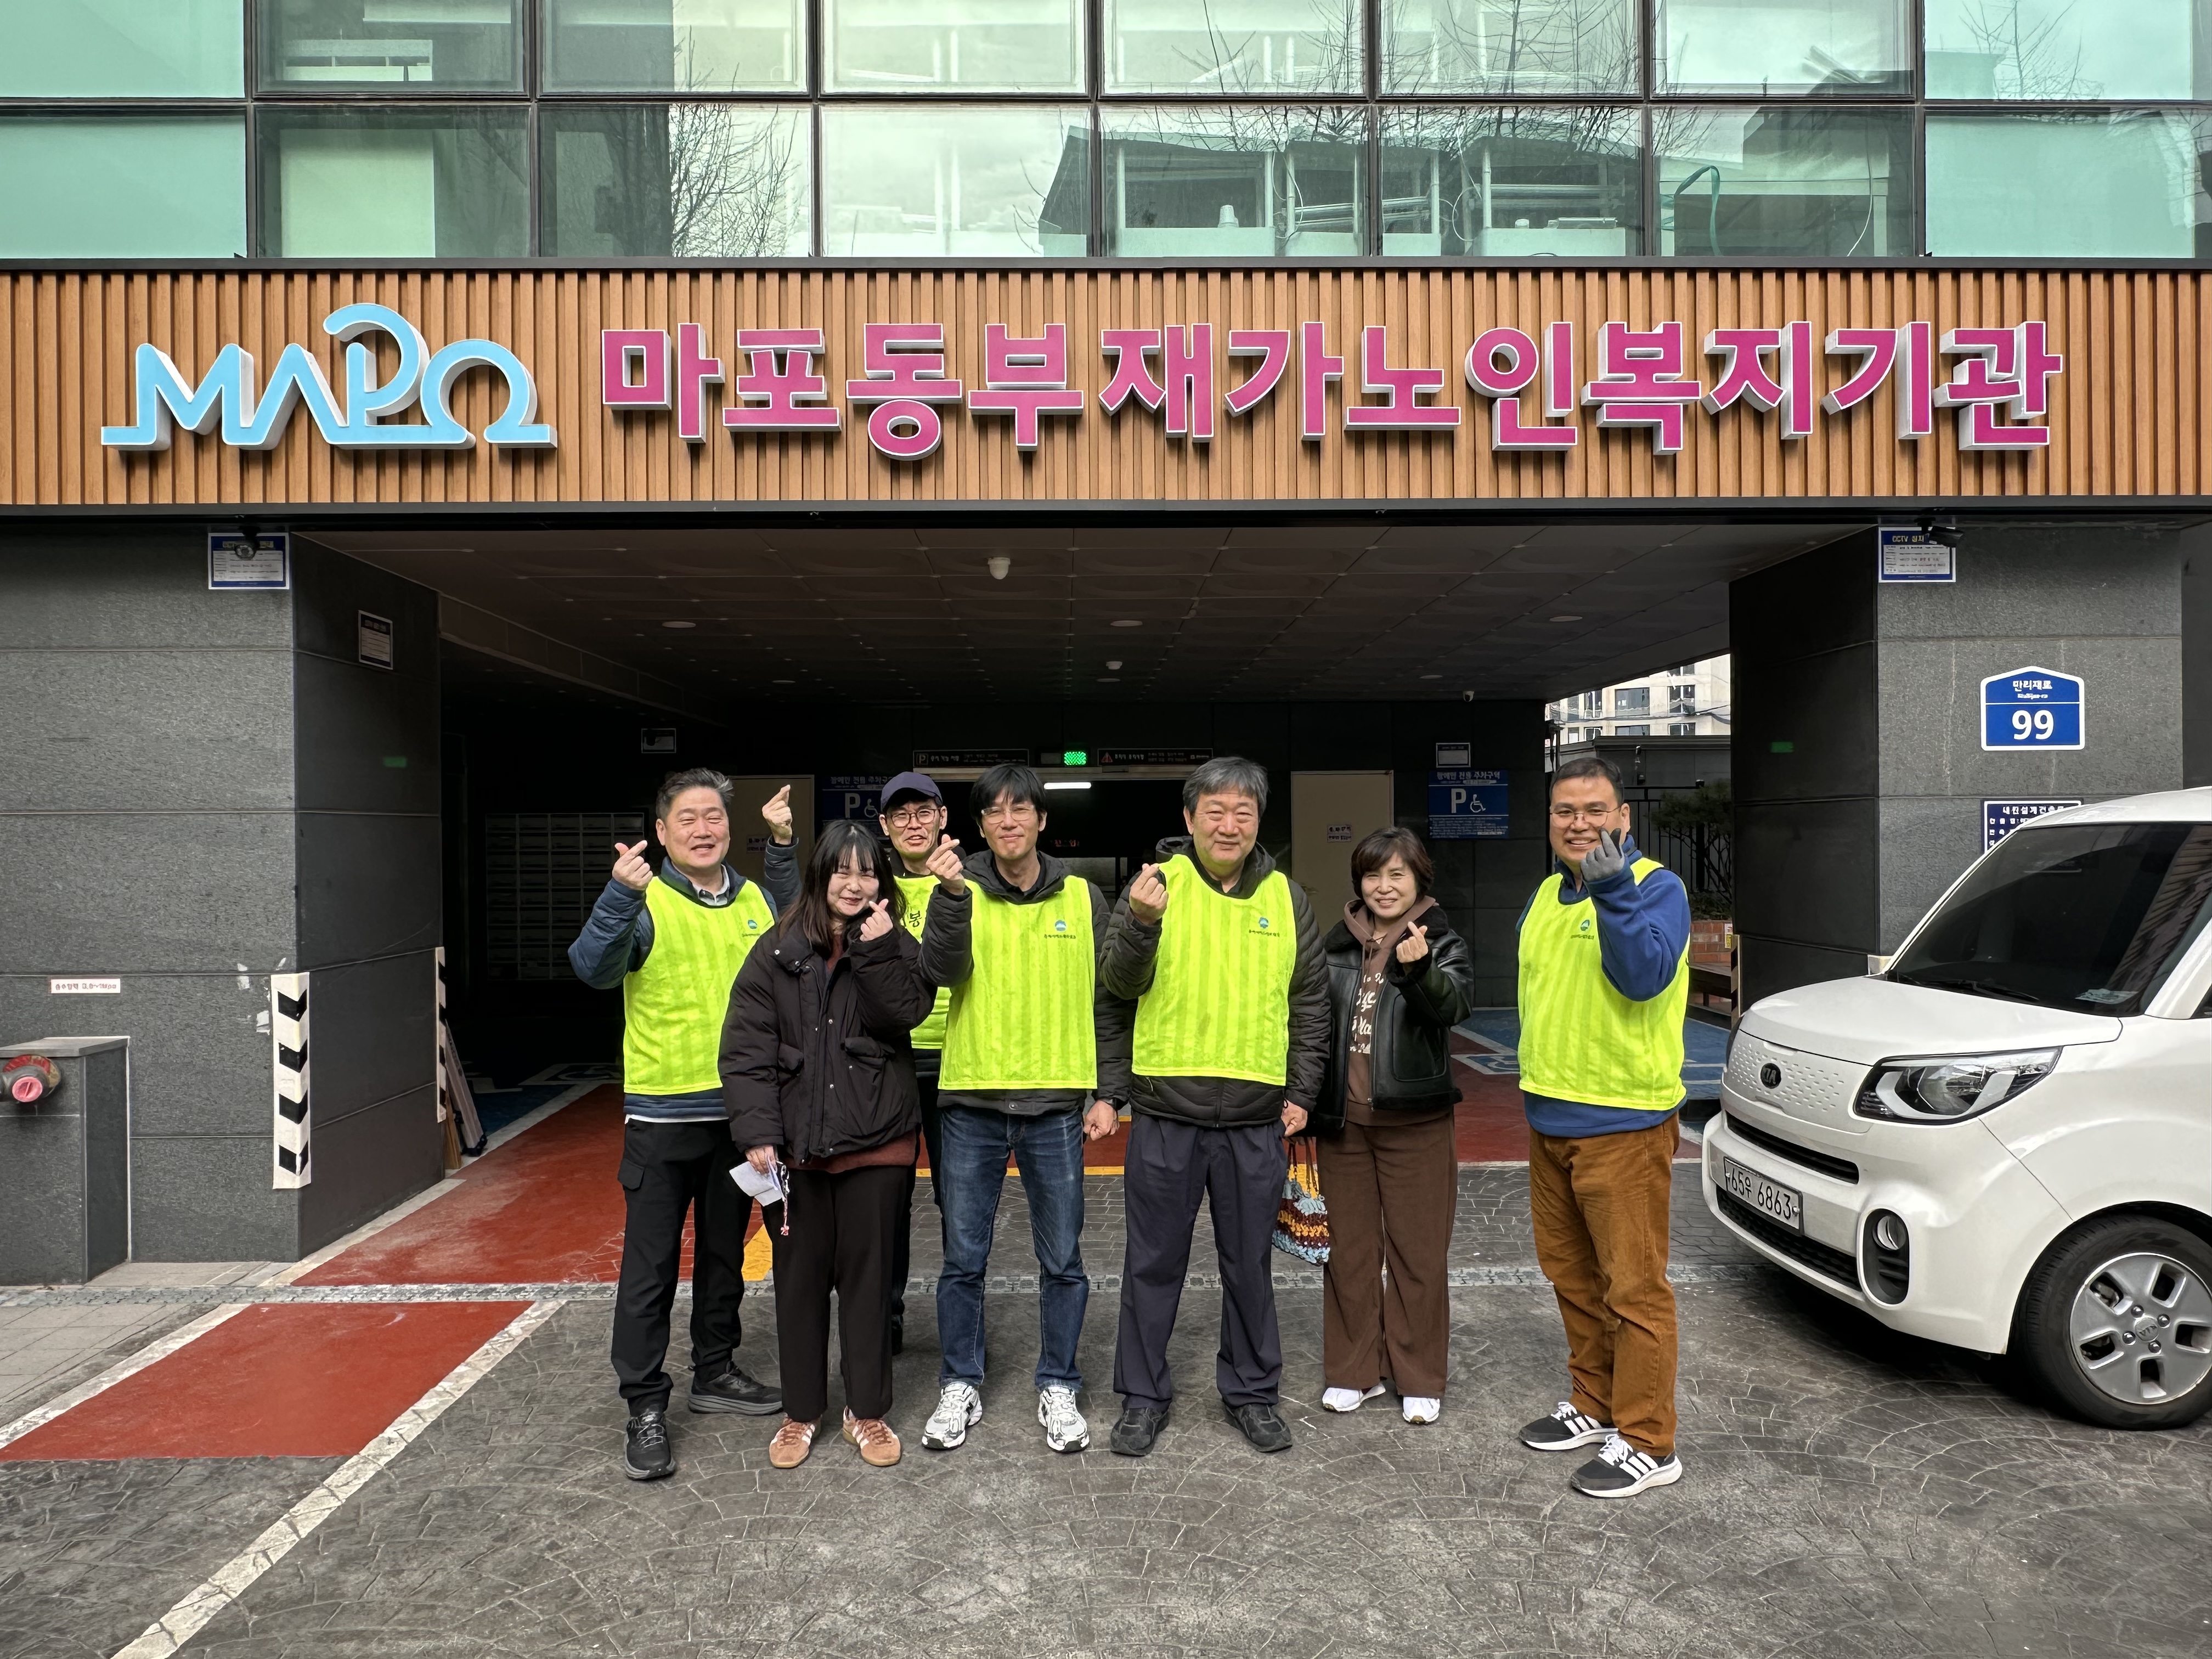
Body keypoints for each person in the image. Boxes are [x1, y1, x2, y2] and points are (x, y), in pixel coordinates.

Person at [568, 771, 799, 1482]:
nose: (704, 829)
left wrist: (783, 849)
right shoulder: (643, 900)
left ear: (730, 827)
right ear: (663, 832)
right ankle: (644, 1404)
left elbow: (800, 944)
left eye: (714, 817)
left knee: (725, 1254)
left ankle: (716, 1368)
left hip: (740, 1118)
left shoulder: (754, 898)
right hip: (663, 1117)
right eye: (688, 818)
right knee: (651, 1269)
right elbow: (592, 970)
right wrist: (618, 895)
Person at [1099, 756, 1330, 1457]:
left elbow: (1310, 1002)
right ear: (1189, 818)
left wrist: (1302, 1091)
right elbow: (1116, 987)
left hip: (1256, 1121)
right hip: (1165, 1113)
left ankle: (1252, 1393)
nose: (1229, 825)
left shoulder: (1287, 898)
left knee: (1249, 1266)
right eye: (1215, 812)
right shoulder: (1153, 888)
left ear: (1259, 820)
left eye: (1243, 813)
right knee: (1152, 1265)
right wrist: (1141, 924)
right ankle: (1143, 1397)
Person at [912, 764, 1120, 1457]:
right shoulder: (957, 888)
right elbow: (942, 971)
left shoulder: (1084, 898)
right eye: (994, 812)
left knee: (1062, 1260)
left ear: (1041, 819)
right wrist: (949, 897)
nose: (1008, 821)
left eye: (1020, 809)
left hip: (1055, 1105)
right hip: (971, 1102)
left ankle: (1059, 1383)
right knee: (962, 1260)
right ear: (979, 826)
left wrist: (1107, 1093)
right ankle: (960, 1382)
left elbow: (1107, 999)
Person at [721, 821, 933, 1471]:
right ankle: (802, 1411)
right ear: (820, 876)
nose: (855, 883)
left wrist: (878, 948)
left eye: (867, 871)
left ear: (882, 881)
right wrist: (758, 1131)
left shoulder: (894, 942)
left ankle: (866, 1412)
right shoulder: (776, 949)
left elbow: (905, 1015)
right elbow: (747, 1046)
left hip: (879, 1143)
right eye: (843, 870)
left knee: (869, 1286)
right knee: (799, 1285)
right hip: (798, 1151)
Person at [1514, 754, 1692, 1500]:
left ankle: (1649, 1440)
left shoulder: (1656, 887)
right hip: (1549, 1116)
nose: (1579, 824)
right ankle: (1595, 1403)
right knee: (1573, 1276)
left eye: (1595, 810)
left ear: (1624, 816)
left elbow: (1643, 977)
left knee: (1634, 1289)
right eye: (1565, 811)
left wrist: (1614, 890)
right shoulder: (1546, 896)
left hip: (1624, 1123)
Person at [1312, 827, 1474, 1426]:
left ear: (1419, 880)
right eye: (1373, 875)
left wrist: (1421, 969)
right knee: (1349, 1253)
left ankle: (1418, 1374)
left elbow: (1453, 1007)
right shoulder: (1336, 944)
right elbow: (1312, 1023)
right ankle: (1352, 1371)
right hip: (1344, 1126)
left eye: (1397, 874)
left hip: (1416, 1122)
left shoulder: (1442, 941)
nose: (1384, 886)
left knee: (1418, 1254)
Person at [878, 770, 953, 1355]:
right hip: (889, 1063)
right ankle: (887, 1316)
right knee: (887, 1200)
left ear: (942, 818)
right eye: (901, 815)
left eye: (923, 811)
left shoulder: (969, 882)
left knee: (960, 1200)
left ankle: (961, 1317)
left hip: (959, 1063)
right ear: (885, 826)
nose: (913, 824)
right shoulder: (871, 888)